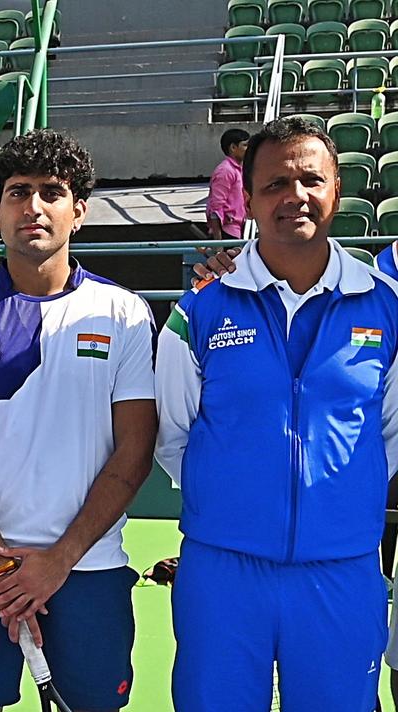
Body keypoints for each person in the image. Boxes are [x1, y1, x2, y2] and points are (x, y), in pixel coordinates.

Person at [156, 116, 398, 711]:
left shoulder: (386, 306)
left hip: (341, 570)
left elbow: (390, 433)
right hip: (222, 571)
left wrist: (331, 507)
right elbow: (172, 435)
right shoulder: (200, 311)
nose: (296, 196)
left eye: (311, 180)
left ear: (337, 189)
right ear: (249, 198)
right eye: (275, 184)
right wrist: (240, 501)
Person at [0, 129, 157, 712]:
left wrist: (56, 562)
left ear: (78, 211)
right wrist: (2, 566)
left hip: (88, 568)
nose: (34, 206)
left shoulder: (124, 312)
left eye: (52, 192)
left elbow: (134, 451)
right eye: (18, 192)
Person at [206, 127, 250, 240]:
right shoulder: (225, 171)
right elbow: (216, 206)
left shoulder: (239, 169)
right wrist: (218, 243)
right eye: (245, 145)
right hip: (227, 232)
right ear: (233, 147)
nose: (248, 149)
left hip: (238, 229)